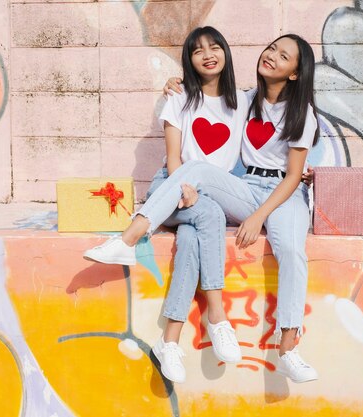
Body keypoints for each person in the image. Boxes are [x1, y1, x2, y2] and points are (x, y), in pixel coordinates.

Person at [85, 33, 320, 383]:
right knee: (195, 176)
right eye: (271, 48)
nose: (271, 56)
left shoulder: (301, 114)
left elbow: (293, 177)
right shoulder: (245, 100)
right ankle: (130, 239)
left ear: (295, 74)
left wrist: (258, 217)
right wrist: (177, 83)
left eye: (283, 57)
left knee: (290, 249)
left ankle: (288, 348)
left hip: (283, 193)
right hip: (245, 186)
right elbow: (201, 107)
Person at [86, 26, 247, 383]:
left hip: (207, 193)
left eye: (215, 47)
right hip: (172, 188)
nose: (207, 54)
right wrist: (186, 187)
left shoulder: (244, 101)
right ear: (189, 60)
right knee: (206, 212)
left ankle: (169, 340)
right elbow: (174, 158)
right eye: (197, 50)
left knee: (195, 232)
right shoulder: (179, 99)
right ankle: (218, 317)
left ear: (226, 52)